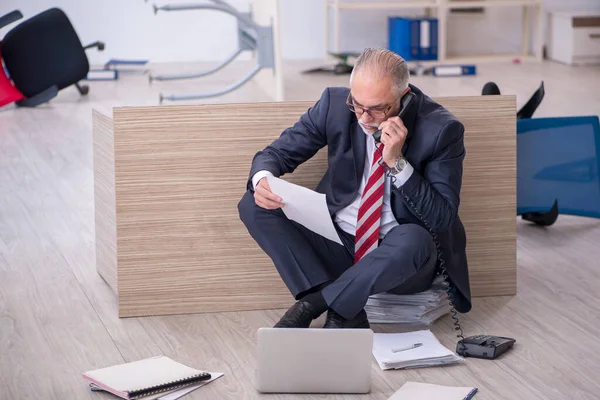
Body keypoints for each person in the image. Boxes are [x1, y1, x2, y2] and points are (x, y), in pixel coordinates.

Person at [238, 48, 471, 329]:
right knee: (253, 202)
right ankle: (345, 304)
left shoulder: (441, 130)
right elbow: (276, 153)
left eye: (376, 108)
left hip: (398, 259)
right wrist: (263, 178)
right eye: (357, 105)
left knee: (415, 239)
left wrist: (397, 163)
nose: (363, 117)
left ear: (404, 95)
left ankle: (315, 303)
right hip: (339, 243)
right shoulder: (335, 105)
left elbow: (441, 218)